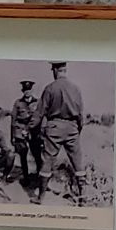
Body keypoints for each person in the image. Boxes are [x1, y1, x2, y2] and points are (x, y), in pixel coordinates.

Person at [39, 61, 85, 204]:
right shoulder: (76, 88)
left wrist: (33, 128)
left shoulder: (50, 88)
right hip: (72, 127)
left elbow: (40, 112)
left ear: (55, 70)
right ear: (65, 70)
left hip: (54, 127)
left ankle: (40, 197)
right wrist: (77, 129)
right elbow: (80, 114)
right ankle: (83, 197)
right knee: (77, 162)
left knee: (47, 161)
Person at [8, 77, 45, 198]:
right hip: (20, 131)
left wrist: (41, 133)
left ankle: (39, 178)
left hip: (34, 131)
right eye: (25, 90)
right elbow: (13, 120)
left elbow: (41, 117)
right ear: (22, 91)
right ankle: (26, 178)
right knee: (23, 155)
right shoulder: (18, 103)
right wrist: (13, 136)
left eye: (29, 90)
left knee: (37, 155)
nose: (27, 92)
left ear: (32, 91)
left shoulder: (38, 102)